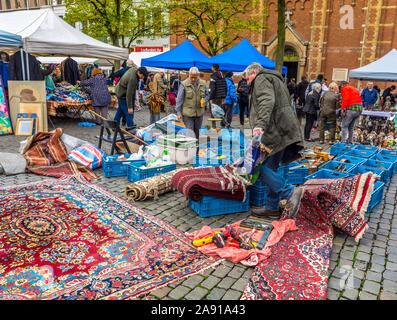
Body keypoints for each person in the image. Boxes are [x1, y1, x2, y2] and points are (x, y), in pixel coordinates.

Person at [243, 62, 304, 219]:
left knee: (256, 166)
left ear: (254, 72)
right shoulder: (274, 78)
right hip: (281, 130)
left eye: (248, 78)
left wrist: (259, 124)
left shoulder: (261, 79)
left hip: (273, 131)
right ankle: (271, 207)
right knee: (271, 167)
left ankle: (290, 191)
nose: (248, 82)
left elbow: (266, 101)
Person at [176, 67, 209, 140]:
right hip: (188, 114)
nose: (193, 79)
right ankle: (190, 148)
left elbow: (207, 95)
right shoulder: (184, 84)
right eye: (191, 77)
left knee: (197, 132)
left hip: (199, 113)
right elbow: (179, 99)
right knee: (190, 133)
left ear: (198, 75)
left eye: (195, 77)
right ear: (189, 75)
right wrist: (178, 113)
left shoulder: (203, 83)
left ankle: (196, 148)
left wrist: (205, 100)